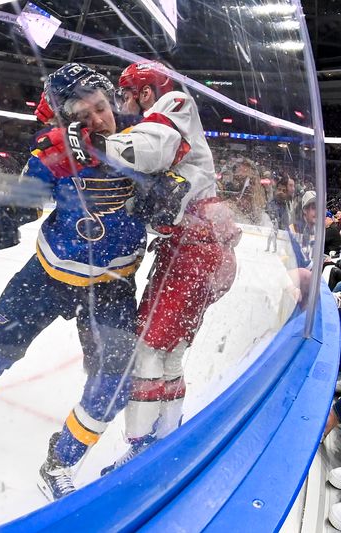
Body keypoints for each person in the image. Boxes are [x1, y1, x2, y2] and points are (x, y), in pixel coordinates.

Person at [0, 63, 147, 501]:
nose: (97, 121)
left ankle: (60, 461)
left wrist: (170, 198)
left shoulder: (147, 141)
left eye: (101, 108)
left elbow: (178, 186)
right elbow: (24, 198)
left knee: (115, 382)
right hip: (48, 275)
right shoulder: (57, 148)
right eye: (83, 116)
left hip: (113, 285)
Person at [98, 61, 241, 471]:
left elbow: (152, 145)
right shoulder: (173, 123)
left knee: (147, 350)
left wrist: (95, 143)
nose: (122, 102)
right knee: (171, 353)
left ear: (146, 91)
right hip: (205, 252)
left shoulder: (172, 102)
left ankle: (142, 446)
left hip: (193, 253)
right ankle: (168, 435)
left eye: (127, 93)